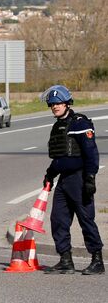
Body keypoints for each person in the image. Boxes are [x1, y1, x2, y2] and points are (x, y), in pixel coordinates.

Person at [41, 85, 104, 275]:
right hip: (64, 181)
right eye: (52, 104)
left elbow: (91, 152)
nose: (55, 106)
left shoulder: (80, 123)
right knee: (58, 219)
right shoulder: (57, 126)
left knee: (86, 220)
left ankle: (97, 261)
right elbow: (60, 157)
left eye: (58, 102)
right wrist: (50, 174)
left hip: (80, 178)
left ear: (67, 103)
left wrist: (90, 177)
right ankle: (65, 260)